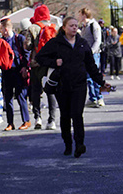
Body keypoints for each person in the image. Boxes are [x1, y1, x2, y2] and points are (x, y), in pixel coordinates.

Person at [35, 16, 111, 158]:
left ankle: (79, 144)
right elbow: (39, 58)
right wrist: (54, 62)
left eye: (76, 25)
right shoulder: (56, 43)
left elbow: (91, 66)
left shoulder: (82, 44)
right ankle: (68, 144)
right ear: (64, 27)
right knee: (65, 115)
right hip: (62, 85)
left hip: (79, 84)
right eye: (71, 25)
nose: (74, 28)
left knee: (77, 114)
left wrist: (101, 82)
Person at [25, 5, 58, 130]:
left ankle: (37, 118)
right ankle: (52, 120)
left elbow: (27, 46)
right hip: (50, 64)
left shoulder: (33, 27)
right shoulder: (55, 27)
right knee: (51, 91)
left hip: (36, 64)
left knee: (36, 91)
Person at [0, 18, 31, 130]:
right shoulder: (1, 41)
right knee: (7, 98)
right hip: (6, 71)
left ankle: (26, 120)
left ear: (6, 29)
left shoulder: (19, 39)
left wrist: (25, 67)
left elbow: (26, 53)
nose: (1, 32)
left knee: (20, 95)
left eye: (1, 29)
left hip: (18, 70)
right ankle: (10, 123)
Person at [77, 8, 104, 108]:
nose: (78, 17)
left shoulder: (94, 25)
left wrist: (91, 52)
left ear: (84, 15)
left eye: (80, 15)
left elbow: (98, 40)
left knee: (94, 76)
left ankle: (99, 97)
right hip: (85, 55)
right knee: (88, 77)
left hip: (94, 54)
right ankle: (93, 98)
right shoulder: (84, 26)